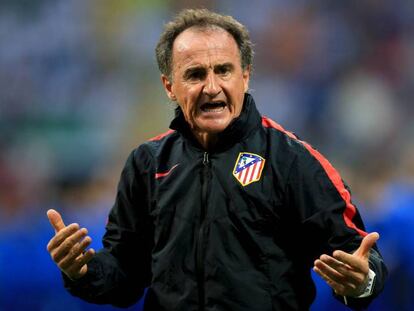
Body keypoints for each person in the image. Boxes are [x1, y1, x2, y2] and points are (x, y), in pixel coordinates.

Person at [46, 8, 387, 311]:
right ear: (169, 86)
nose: (211, 87)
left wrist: (361, 282)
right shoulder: (147, 163)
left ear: (245, 77)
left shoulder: (293, 161)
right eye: (195, 75)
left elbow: (361, 258)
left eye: (223, 71)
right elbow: (125, 279)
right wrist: (83, 271)